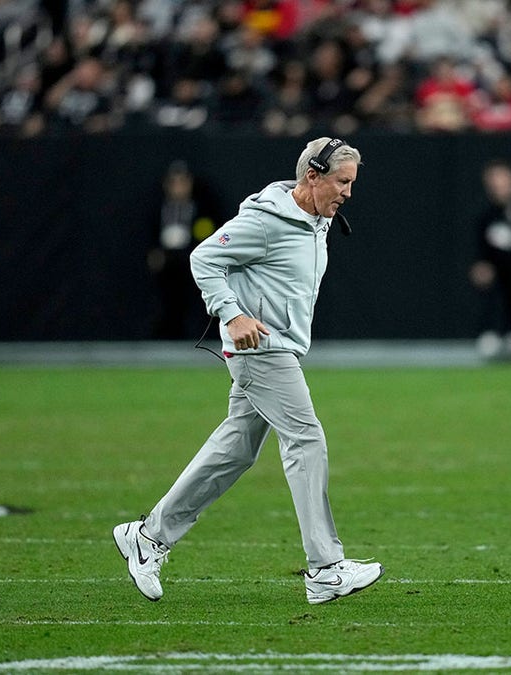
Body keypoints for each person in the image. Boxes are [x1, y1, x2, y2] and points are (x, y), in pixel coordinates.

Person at [113, 137, 383, 606]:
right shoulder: (265, 221)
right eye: (342, 182)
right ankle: (325, 568)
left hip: (277, 348)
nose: (348, 193)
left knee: (235, 450)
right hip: (261, 349)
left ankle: (148, 535)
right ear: (312, 176)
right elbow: (203, 258)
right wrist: (232, 314)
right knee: (306, 439)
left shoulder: (316, 219)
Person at [469, 159, 511, 356]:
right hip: (492, 265)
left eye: (504, 181)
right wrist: (480, 263)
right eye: (496, 182)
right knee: (489, 287)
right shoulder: (484, 213)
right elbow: (478, 242)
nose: (500, 186)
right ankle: (488, 333)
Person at [148, 160, 217, 339]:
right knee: (168, 303)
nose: (178, 187)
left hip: (191, 261)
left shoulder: (201, 209)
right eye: (174, 182)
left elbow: (207, 234)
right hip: (166, 263)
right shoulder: (157, 208)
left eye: (182, 182)